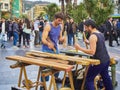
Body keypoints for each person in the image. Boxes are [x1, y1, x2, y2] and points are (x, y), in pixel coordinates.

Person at [74, 20, 113, 90]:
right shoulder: (100, 34)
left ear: (90, 27)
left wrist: (80, 48)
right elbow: (98, 44)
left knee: (89, 79)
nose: (85, 29)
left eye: (86, 27)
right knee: (105, 77)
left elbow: (92, 52)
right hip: (106, 60)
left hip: (99, 61)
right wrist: (88, 42)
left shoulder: (92, 36)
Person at [41, 12, 66, 89]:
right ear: (55, 19)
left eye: (61, 21)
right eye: (59, 20)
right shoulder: (48, 26)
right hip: (46, 50)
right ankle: (43, 87)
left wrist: (63, 39)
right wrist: (48, 44)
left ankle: (54, 83)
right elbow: (43, 39)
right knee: (45, 70)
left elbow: (60, 38)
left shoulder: (60, 26)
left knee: (57, 69)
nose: (60, 22)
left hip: (55, 50)